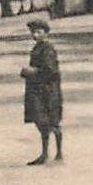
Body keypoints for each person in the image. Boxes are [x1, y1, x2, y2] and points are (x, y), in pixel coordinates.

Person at [20, 17, 63, 165]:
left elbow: (50, 70)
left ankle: (58, 154)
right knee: (43, 122)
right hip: (40, 90)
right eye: (33, 32)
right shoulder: (39, 47)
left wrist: (31, 72)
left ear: (46, 33)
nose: (35, 35)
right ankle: (45, 154)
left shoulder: (47, 49)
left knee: (51, 122)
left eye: (38, 32)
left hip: (47, 91)